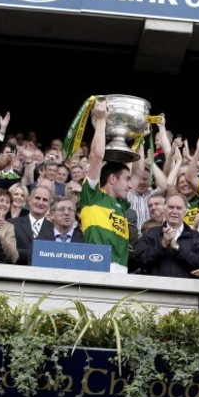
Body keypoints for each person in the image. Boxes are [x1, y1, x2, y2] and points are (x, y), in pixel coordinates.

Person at [80, 98, 144, 273]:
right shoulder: (92, 196)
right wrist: (101, 121)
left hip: (122, 271)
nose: (130, 185)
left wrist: (140, 141)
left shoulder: (122, 204)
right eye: (126, 179)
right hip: (95, 268)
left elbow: (138, 173)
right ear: (113, 179)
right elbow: (96, 157)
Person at [135, 193, 199, 278]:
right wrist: (162, 245)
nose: (174, 211)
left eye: (179, 208)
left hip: (186, 289)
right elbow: (142, 261)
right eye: (171, 207)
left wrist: (177, 248)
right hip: (155, 288)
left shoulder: (195, 236)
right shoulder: (151, 233)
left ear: (185, 212)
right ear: (164, 211)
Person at [8, 185, 54, 265]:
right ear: (29, 200)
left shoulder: (55, 229)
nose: (40, 202)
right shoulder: (11, 224)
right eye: (37, 198)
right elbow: (8, 252)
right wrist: (37, 253)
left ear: (49, 204)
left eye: (45, 200)